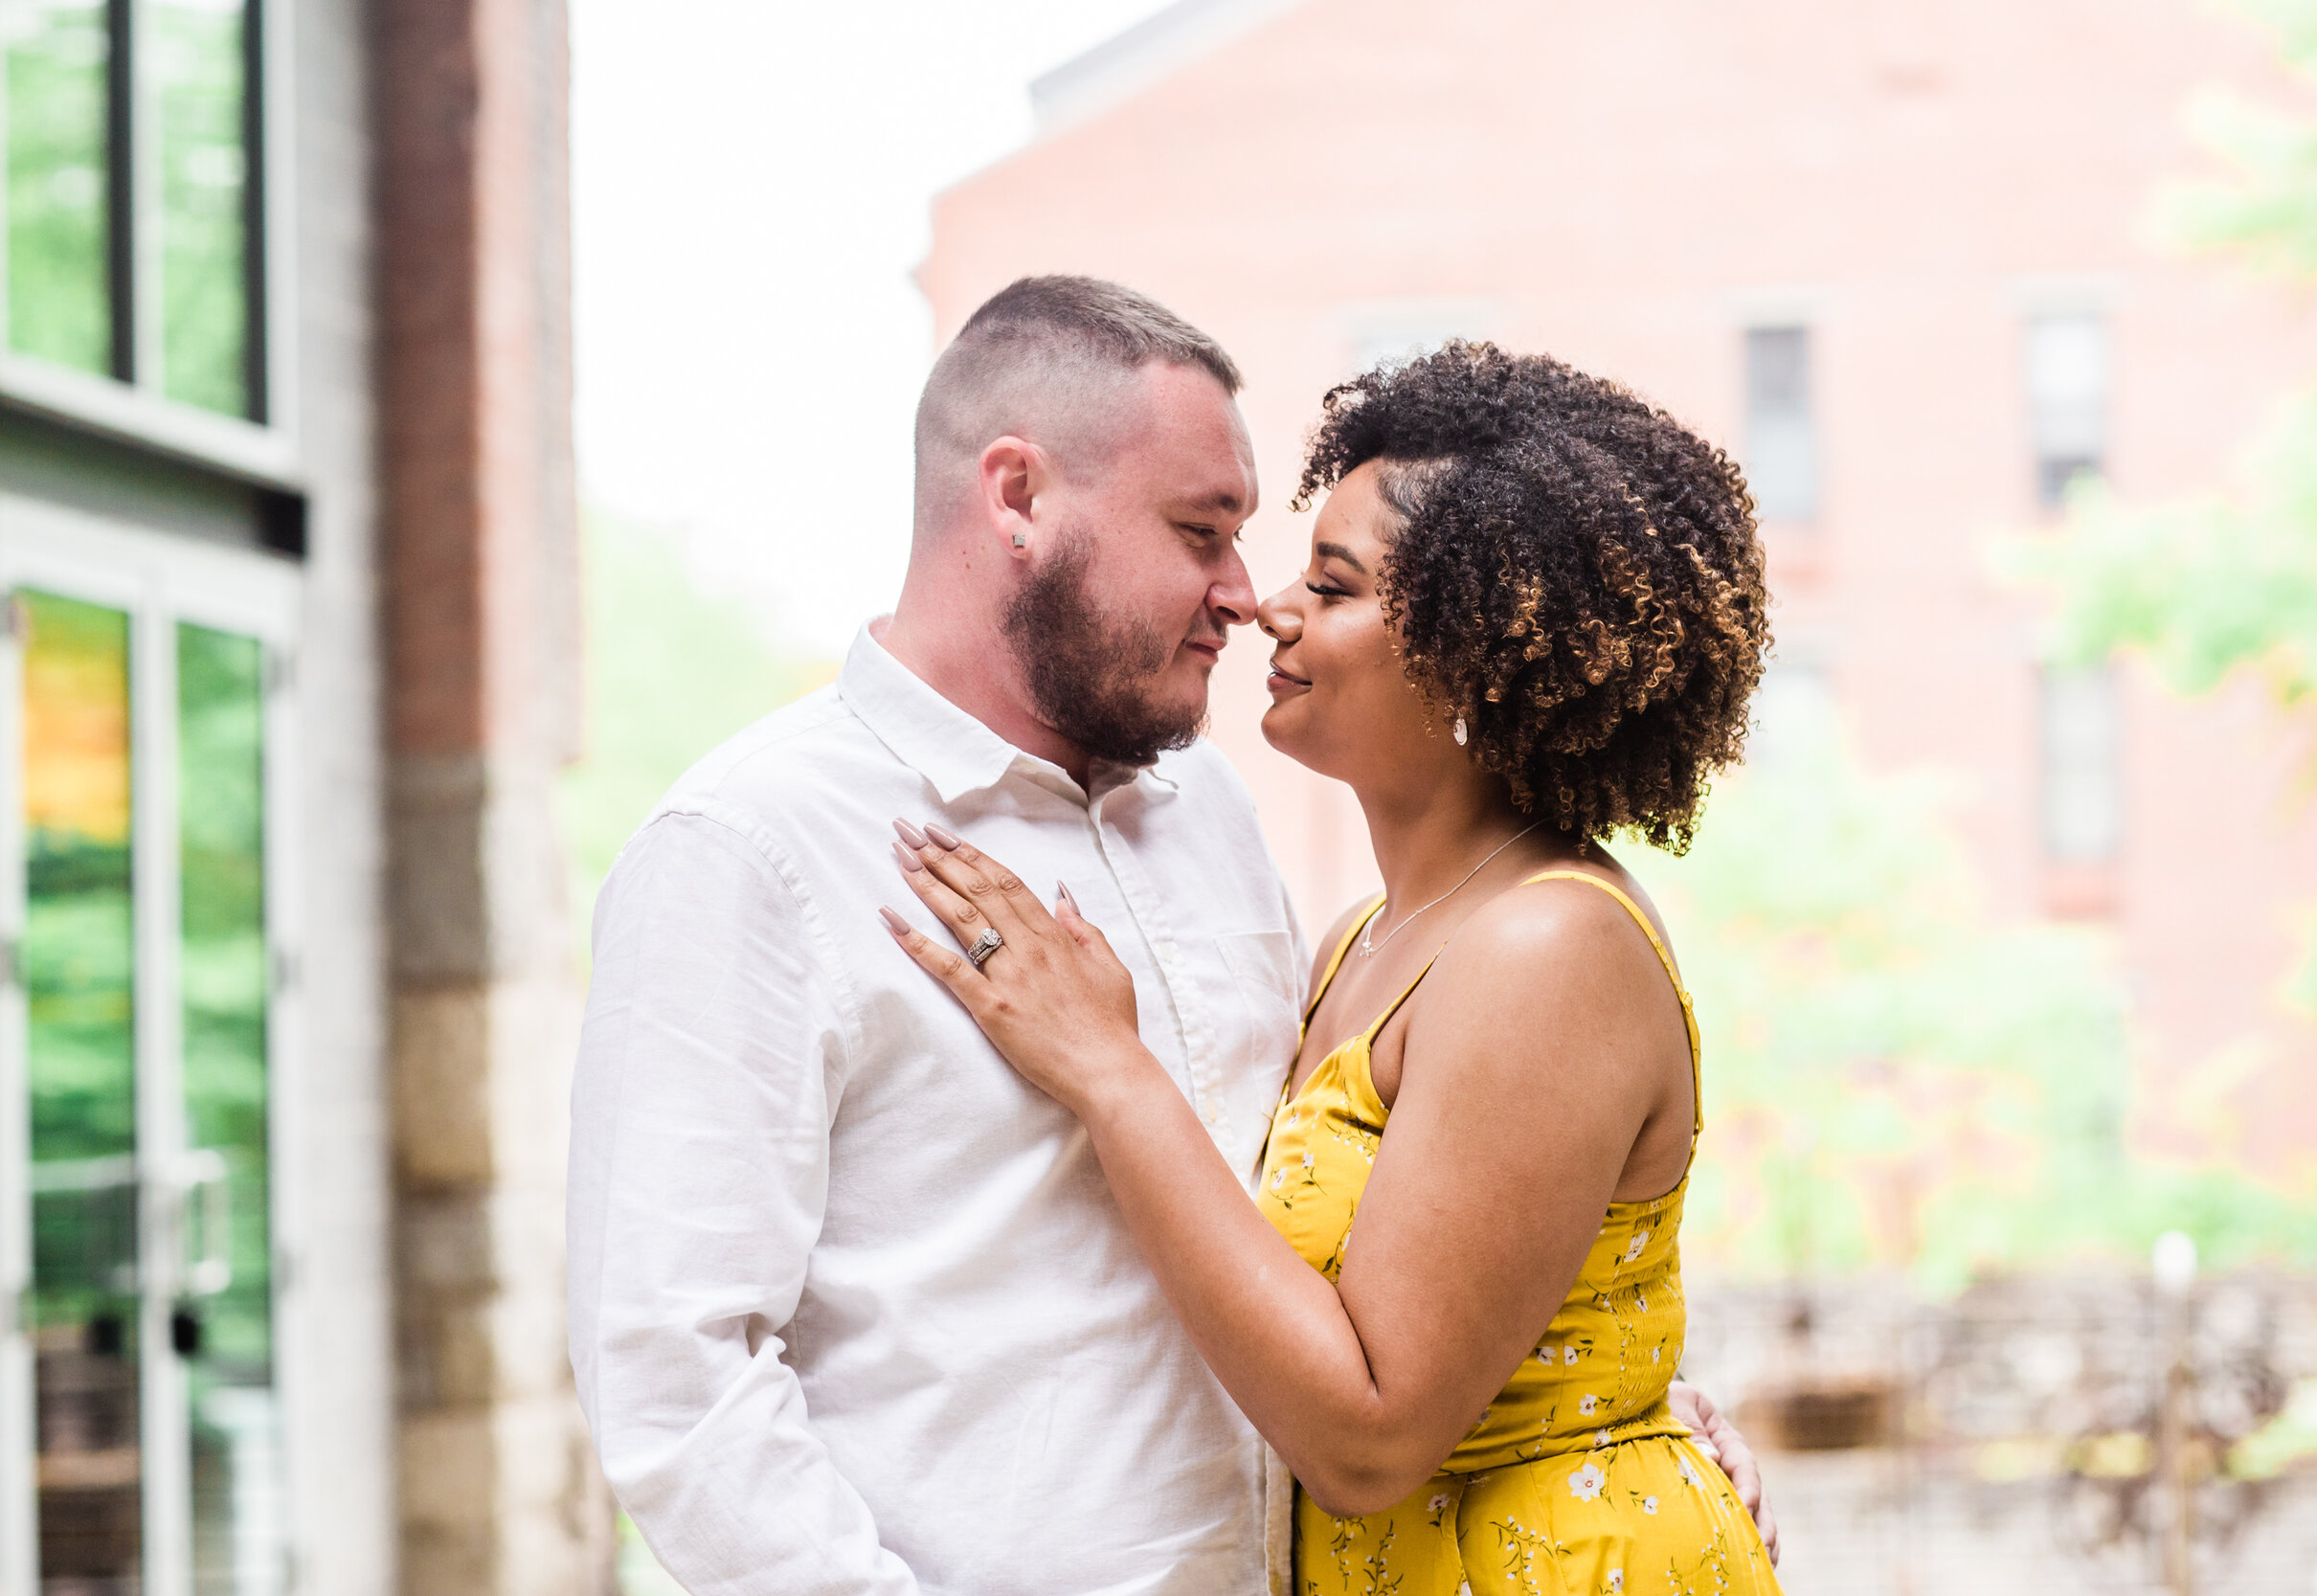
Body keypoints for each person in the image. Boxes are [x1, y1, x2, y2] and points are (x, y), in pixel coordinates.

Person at [568, 279, 1770, 1596]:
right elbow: (676, 1381)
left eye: (1290, 560)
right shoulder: (754, 848)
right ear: (1019, 498)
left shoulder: (1209, 816)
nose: (1246, 598)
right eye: (1204, 533)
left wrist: (1597, 1399)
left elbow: (1402, 1248)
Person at [881, 341, 1781, 1594]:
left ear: (1478, 648)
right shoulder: (1365, 941)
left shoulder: (1547, 943)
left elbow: (1371, 1433)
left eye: (1336, 585)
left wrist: (1107, 1068)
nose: (1266, 608)